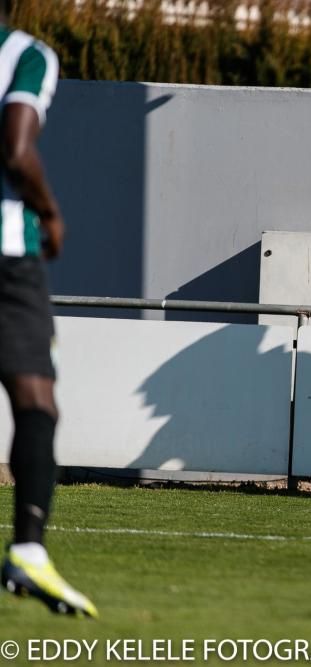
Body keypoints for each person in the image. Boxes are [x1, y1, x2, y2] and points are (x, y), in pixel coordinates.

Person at [0, 1, 98, 616]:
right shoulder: (28, 54)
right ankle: (28, 551)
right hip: (7, 255)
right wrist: (52, 212)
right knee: (35, 398)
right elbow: (16, 147)